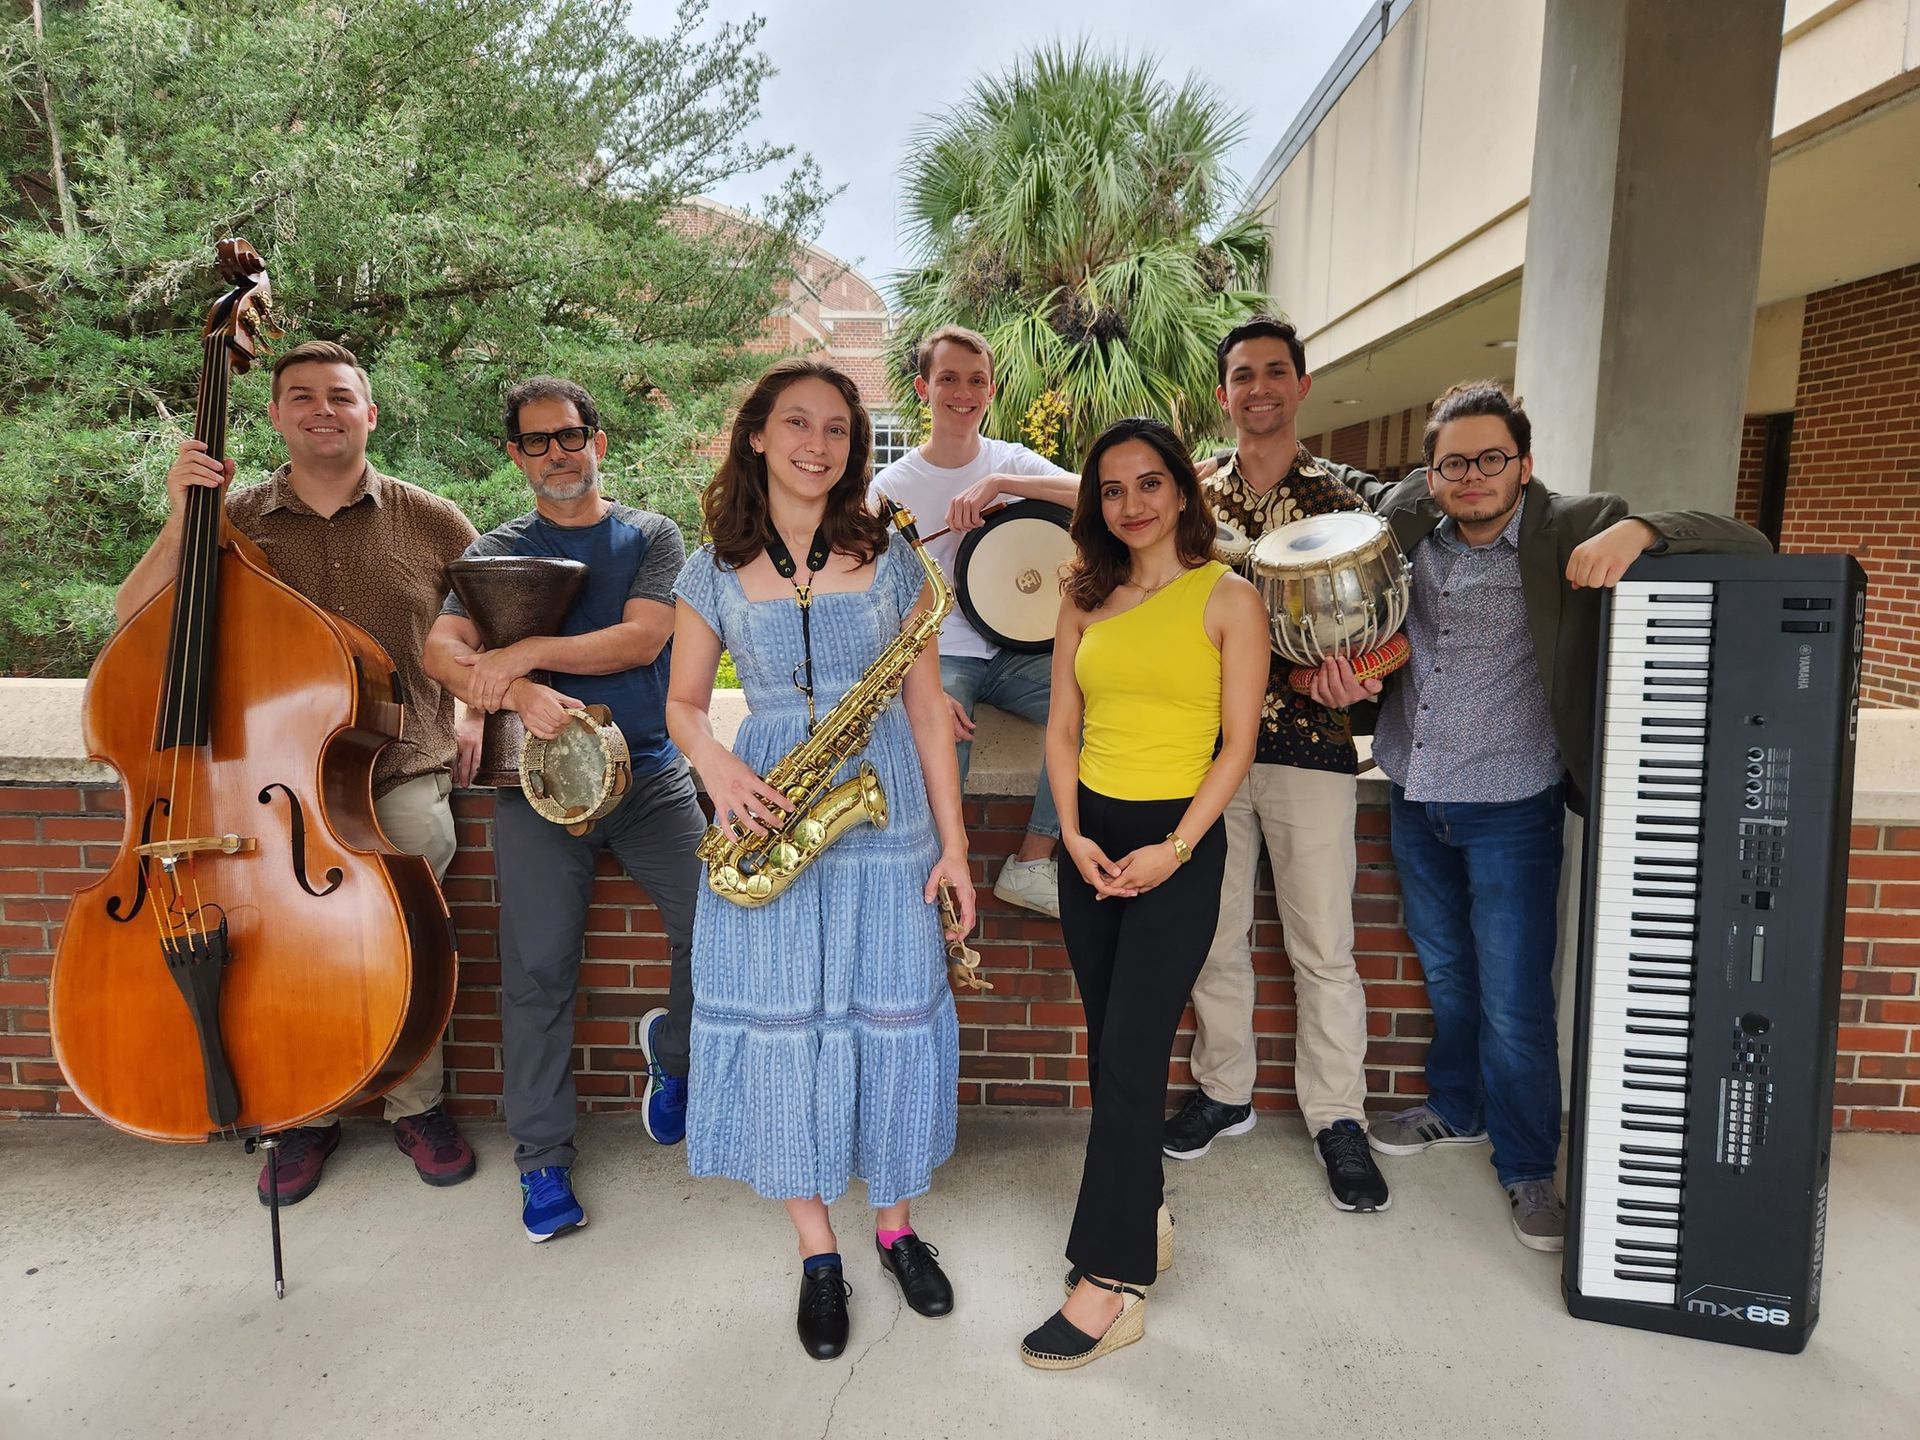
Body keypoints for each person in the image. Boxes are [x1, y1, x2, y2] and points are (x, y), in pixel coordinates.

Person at [1311, 380, 1769, 1252]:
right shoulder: (1408, 528)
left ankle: (1528, 1167)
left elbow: (1746, 538)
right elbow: (1337, 504)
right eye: (1455, 462)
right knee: (1447, 974)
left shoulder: (1577, 524)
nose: (1473, 475)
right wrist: (1350, 685)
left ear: (1524, 464)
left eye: (1491, 459)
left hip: (1513, 802)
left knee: (1517, 998)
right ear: (1432, 472)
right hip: (1415, 788)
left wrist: (1645, 532)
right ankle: (1458, 1107)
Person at [114, 339, 481, 1205]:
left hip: (399, 771)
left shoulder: (433, 518)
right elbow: (133, 622)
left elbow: (488, 634)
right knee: (272, 944)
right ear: (276, 415)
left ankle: (414, 1106)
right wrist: (182, 514)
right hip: (266, 785)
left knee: (409, 939)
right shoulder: (226, 517)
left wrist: (476, 711)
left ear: (370, 413)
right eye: (303, 396)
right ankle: (297, 1114)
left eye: (341, 396)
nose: (324, 409)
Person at [666, 358, 975, 1361]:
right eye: (795, 422)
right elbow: (679, 706)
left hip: (886, 811)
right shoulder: (709, 565)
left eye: (838, 428)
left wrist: (957, 848)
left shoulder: (890, 555)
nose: (817, 442)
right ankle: (817, 1251)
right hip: (768, 799)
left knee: (890, 1011)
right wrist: (717, 767)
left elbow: (927, 708)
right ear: (757, 434)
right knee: (786, 1019)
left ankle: (894, 1226)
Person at [423, 377, 703, 1242]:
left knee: (720, 926)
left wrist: (527, 660)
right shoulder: (496, 549)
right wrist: (506, 695)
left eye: (571, 436)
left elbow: (645, 636)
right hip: (535, 790)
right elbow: (439, 651)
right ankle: (542, 1161)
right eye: (537, 441)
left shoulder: (652, 534)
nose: (558, 454)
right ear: (516, 455)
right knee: (538, 972)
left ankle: (674, 1058)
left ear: (599, 442)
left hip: (652, 776)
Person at [1020, 417, 1267, 1371]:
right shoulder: (1084, 598)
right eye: (1113, 489)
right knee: (1109, 1048)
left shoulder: (1228, 598)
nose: (1132, 504)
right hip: (1095, 847)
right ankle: (1147, 1208)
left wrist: (1174, 847)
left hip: (1179, 847)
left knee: (1130, 1055)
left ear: (1180, 491)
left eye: (1149, 483)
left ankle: (1110, 1280)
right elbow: (1061, 730)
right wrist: (1073, 833)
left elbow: (1236, 746)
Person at [1165, 315, 1392, 1215]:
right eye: (1241, 376)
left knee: (1323, 948)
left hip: (1312, 749)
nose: (1257, 388)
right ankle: (1225, 1092)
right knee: (1213, 936)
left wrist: (1355, 681)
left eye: (1274, 373)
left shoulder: (1346, 499)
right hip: (1207, 752)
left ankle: (1338, 1117)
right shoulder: (1189, 498)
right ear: (1224, 395)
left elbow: (1399, 633)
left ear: (1301, 385)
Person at [868, 325, 1078, 917]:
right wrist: (924, 688)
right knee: (942, 742)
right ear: (922, 388)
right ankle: (932, 892)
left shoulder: (1010, 459)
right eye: (949, 379)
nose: (963, 392)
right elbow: (871, 596)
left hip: (1019, 654)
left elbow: (1100, 494)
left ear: (991, 392)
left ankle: (1034, 860)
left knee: (1098, 703)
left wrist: (1004, 482)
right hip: (944, 654)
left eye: (977, 381)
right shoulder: (890, 487)